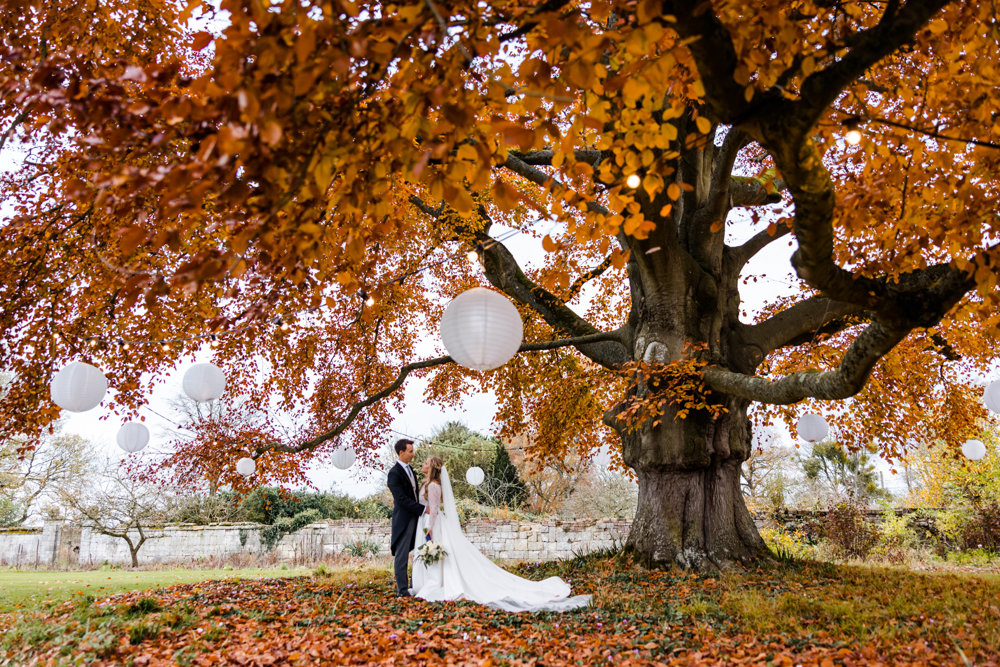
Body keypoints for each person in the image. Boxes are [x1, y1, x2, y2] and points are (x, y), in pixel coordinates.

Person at [411, 456, 590, 612]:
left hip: (433, 523)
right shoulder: (426, 484)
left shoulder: (434, 485)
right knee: (436, 553)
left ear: (432, 467)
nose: (423, 464)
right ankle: (433, 581)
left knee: (437, 551)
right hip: (424, 521)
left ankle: (437, 583)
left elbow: (433, 509)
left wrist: (430, 529)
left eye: (426, 462)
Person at [386, 438, 425, 597]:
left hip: (417, 518)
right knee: (402, 555)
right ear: (401, 452)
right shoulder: (394, 473)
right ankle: (402, 590)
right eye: (410, 451)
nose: (413, 454)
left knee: (419, 552)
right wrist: (422, 509)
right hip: (404, 519)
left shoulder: (411, 470)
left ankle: (415, 584)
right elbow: (401, 499)